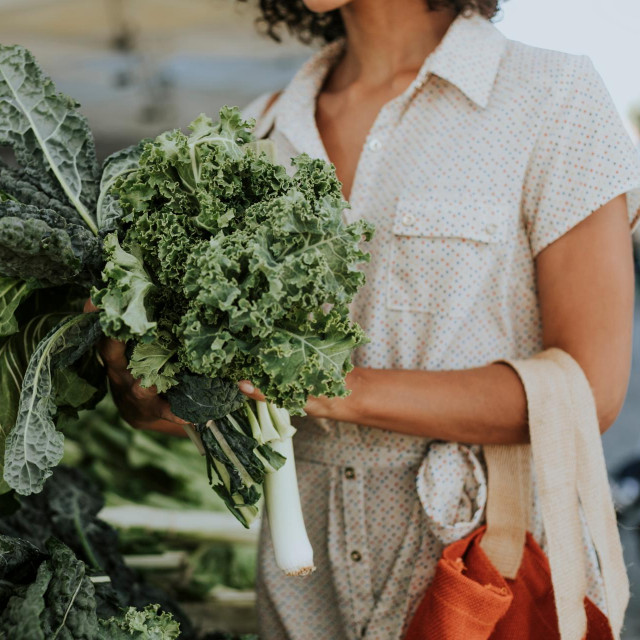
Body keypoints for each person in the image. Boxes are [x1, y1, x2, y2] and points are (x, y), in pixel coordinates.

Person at [97, 1, 640, 638]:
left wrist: (329, 390)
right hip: (303, 600)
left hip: (483, 580)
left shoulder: (552, 98)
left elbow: (588, 390)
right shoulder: (254, 133)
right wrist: (148, 393)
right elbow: (212, 406)